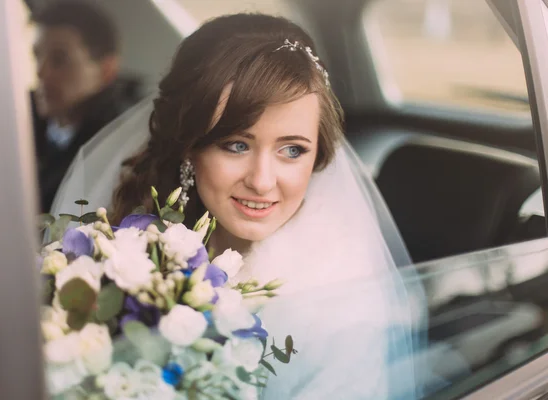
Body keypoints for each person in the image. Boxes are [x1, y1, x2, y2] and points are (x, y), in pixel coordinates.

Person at [75, 13, 428, 399]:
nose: (262, 181)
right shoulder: (126, 242)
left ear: (319, 155)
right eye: (237, 145)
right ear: (189, 146)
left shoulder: (339, 304)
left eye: (292, 150)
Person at [31, 0, 143, 213]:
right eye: (37, 56)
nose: (41, 72)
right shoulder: (18, 117)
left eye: (59, 59)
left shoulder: (123, 149)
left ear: (106, 69)